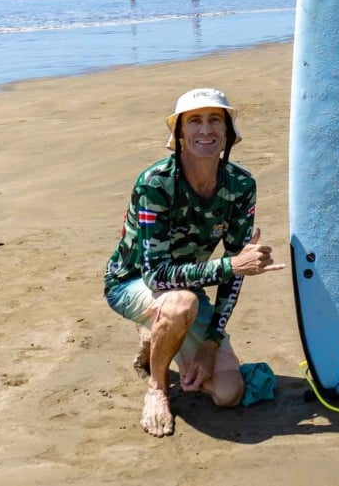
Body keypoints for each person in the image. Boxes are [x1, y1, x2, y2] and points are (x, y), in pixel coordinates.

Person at [103, 88, 283, 436]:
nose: (206, 130)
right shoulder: (155, 183)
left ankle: (157, 338)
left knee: (228, 394)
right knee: (180, 302)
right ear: (180, 133)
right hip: (132, 283)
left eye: (215, 120)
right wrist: (232, 265)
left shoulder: (241, 185)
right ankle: (157, 388)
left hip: (185, 290)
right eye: (195, 121)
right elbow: (156, 276)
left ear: (228, 132)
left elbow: (236, 271)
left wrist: (211, 344)